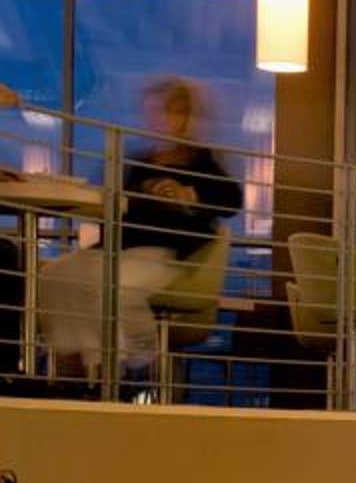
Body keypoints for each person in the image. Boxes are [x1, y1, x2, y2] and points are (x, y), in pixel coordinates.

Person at [42, 76, 243, 387]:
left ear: (181, 116)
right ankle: (79, 362)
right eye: (149, 111)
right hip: (119, 248)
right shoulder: (140, 163)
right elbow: (115, 203)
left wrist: (188, 194)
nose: (153, 119)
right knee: (56, 274)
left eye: (160, 111)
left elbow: (230, 201)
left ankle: (122, 366)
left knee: (106, 284)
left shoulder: (200, 163)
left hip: (164, 252)